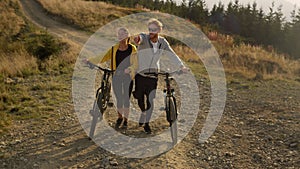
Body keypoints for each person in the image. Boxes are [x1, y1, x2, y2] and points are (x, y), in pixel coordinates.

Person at [133, 18, 188, 134]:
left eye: (154, 29)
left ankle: (147, 122)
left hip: (153, 75)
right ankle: (143, 112)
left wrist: (181, 66)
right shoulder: (144, 38)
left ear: (159, 30)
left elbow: (172, 54)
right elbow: (140, 38)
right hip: (141, 74)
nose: (151, 32)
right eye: (149, 29)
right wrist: (137, 39)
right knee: (139, 97)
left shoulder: (163, 42)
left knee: (150, 100)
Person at [94, 27, 137, 129]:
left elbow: (136, 64)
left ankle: (126, 120)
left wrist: (130, 69)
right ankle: (120, 117)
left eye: (123, 34)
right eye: (119, 34)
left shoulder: (132, 49)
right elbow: (103, 56)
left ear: (127, 36)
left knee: (126, 99)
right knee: (119, 99)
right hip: (116, 76)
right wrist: (90, 61)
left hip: (128, 77)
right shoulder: (114, 48)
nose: (120, 36)